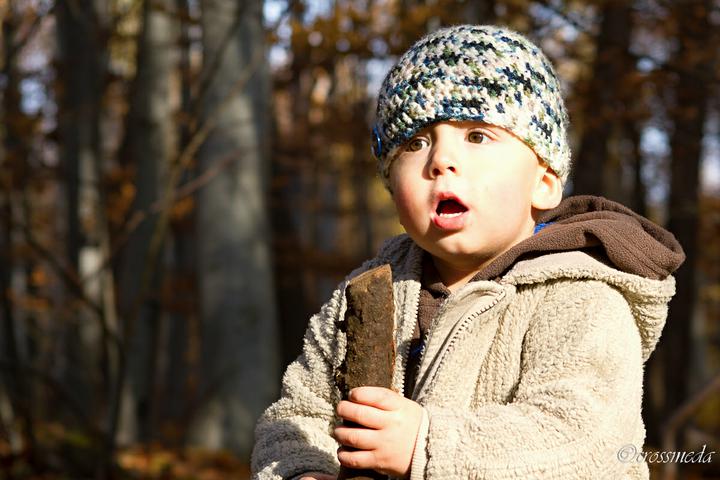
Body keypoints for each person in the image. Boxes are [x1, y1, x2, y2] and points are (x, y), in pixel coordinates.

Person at [251, 24, 685, 480]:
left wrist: (426, 444)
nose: (440, 160)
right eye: (416, 143)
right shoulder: (364, 293)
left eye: (477, 135)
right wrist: (304, 470)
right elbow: (297, 415)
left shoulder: (581, 296)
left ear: (543, 183)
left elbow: (583, 440)